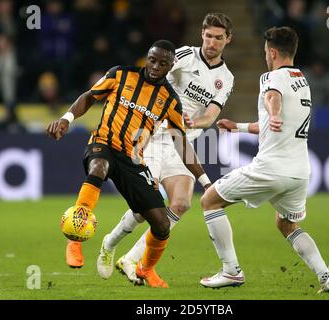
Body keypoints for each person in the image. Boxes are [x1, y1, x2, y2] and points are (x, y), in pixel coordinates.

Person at [46, 40, 210, 288]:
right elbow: (89, 97)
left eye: (163, 63)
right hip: (102, 143)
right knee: (98, 168)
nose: (155, 66)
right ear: (147, 57)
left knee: (162, 224)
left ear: (171, 65)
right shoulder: (121, 74)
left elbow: (181, 142)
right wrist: (67, 118)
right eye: (152, 60)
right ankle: (75, 237)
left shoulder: (169, 99)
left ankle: (145, 268)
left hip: (133, 159)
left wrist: (205, 181)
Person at [198, 26, 329, 293]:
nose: (265, 56)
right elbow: (268, 124)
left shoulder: (271, 77)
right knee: (286, 223)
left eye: (265, 52)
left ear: (272, 52)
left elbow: (272, 97)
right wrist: (238, 127)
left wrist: (273, 113)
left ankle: (231, 271)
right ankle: (327, 277)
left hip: (271, 168)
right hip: (299, 172)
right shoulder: (303, 81)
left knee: (209, 200)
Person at [95, 13, 234, 284]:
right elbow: (151, 77)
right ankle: (110, 243)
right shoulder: (183, 55)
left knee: (180, 204)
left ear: (228, 39)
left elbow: (212, 114)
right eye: (208, 36)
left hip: (183, 141)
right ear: (202, 34)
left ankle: (133, 258)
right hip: (155, 135)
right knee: (144, 207)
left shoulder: (226, 78)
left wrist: (197, 121)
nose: (212, 42)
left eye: (218, 38)